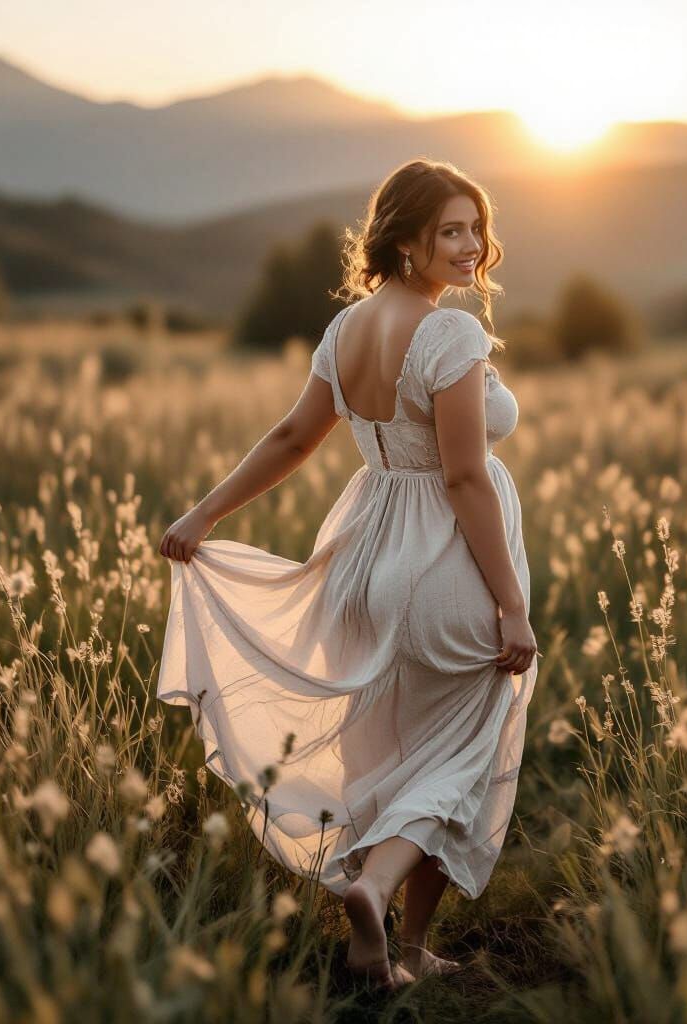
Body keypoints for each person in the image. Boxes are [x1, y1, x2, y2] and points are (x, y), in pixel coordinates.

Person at [156, 158, 539, 991]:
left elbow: (293, 439)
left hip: (360, 560)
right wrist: (512, 605)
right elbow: (465, 478)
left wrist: (202, 515)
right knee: (459, 755)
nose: (472, 246)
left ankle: (391, 952)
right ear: (404, 240)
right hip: (443, 569)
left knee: (381, 753)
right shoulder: (451, 334)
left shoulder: (345, 331)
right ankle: (380, 899)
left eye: (475, 227)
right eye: (450, 231)